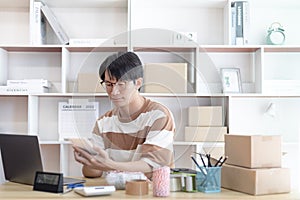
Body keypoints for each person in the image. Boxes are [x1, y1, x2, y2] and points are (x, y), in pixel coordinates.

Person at [73, 51, 175, 179]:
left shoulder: (159, 116)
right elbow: (92, 174)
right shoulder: (103, 122)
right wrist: (89, 160)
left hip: (151, 193)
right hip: (115, 192)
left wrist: (109, 165)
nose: (114, 92)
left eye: (121, 84)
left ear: (138, 83)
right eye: (109, 84)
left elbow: (153, 165)